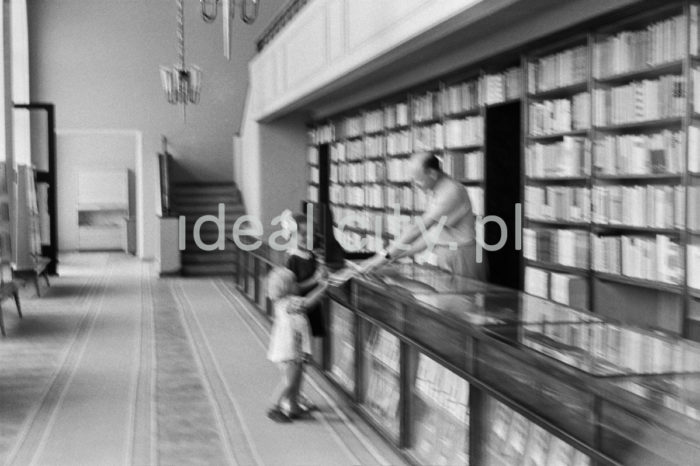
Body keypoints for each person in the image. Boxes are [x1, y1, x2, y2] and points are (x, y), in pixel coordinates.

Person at [361, 151, 487, 281]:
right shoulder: (437, 190)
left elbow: (418, 229)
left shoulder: (450, 192)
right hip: (449, 256)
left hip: (462, 258)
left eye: (418, 179)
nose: (415, 184)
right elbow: (431, 236)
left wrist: (384, 257)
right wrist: (391, 256)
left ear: (432, 173)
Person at [266, 266, 328, 422]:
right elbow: (307, 303)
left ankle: (294, 407)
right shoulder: (286, 303)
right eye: (294, 282)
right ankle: (274, 407)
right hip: (289, 350)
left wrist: (318, 279)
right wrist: (323, 288)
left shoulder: (284, 300)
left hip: (296, 348)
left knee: (298, 379)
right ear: (286, 287)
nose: (297, 285)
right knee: (289, 381)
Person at [285, 212, 327, 411]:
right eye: (301, 234)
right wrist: (315, 280)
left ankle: (298, 395)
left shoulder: (311, 255)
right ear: (291, 236)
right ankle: (293, 397)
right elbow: (293, 290)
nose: (305, 237)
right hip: (300, 314)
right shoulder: (293, 259)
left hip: (313, 310)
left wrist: (323, 272)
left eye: (309, 233)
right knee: (297, 359)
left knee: (306, 359)